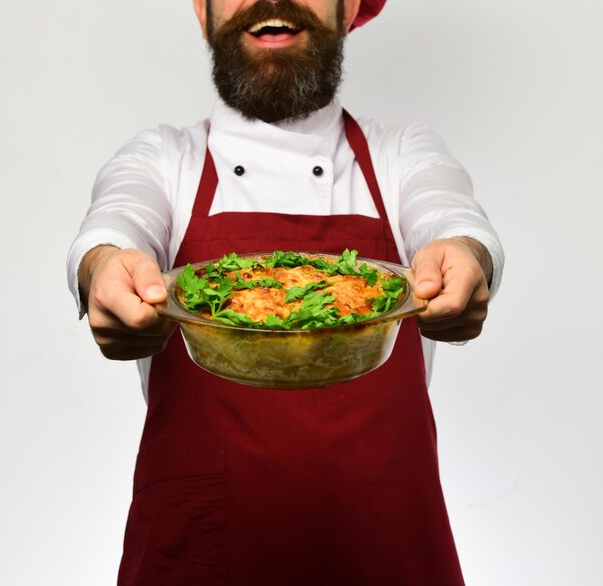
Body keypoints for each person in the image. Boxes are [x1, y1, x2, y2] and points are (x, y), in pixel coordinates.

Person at [67, 0, 504, 584]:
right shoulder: (163, 160)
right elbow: (115, 221)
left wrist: (468, 255)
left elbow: (452, 216)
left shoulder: (403, 154)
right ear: (205, 11)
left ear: (350, 9)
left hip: (386, 548)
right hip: (202, 551)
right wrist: (102, 266)